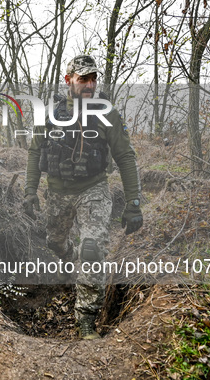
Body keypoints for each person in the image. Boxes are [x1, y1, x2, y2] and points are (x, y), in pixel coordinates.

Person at [23, 54, 143, 340]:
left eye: (93, 79)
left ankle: (86, 319)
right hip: (56, 192)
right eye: (82, 79)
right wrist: (30, 191)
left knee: (91, 250)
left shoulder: (107, 113)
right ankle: (69, 257)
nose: (89, 85)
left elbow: (125, 156)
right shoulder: (50, 114)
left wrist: (133, 202)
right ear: (68, 80)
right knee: (54, 240)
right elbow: (35, 151)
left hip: (94, 190)